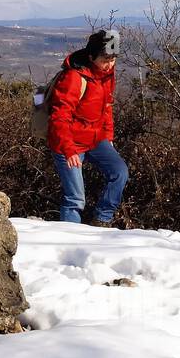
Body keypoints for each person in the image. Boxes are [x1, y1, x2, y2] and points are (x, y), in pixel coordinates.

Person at [45, 29, 128, 226]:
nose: (109, 64)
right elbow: (60, 116)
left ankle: (102, 220)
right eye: (105, 59)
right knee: (75, 198)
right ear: (91, 57)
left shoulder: (106, 75)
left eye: (113, 59)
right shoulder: (74, 77)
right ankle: (72, 239)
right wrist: (68, 149)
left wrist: (108, 138)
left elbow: (106, 108)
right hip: (69, 142)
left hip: (95, 139)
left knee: (119, 172)